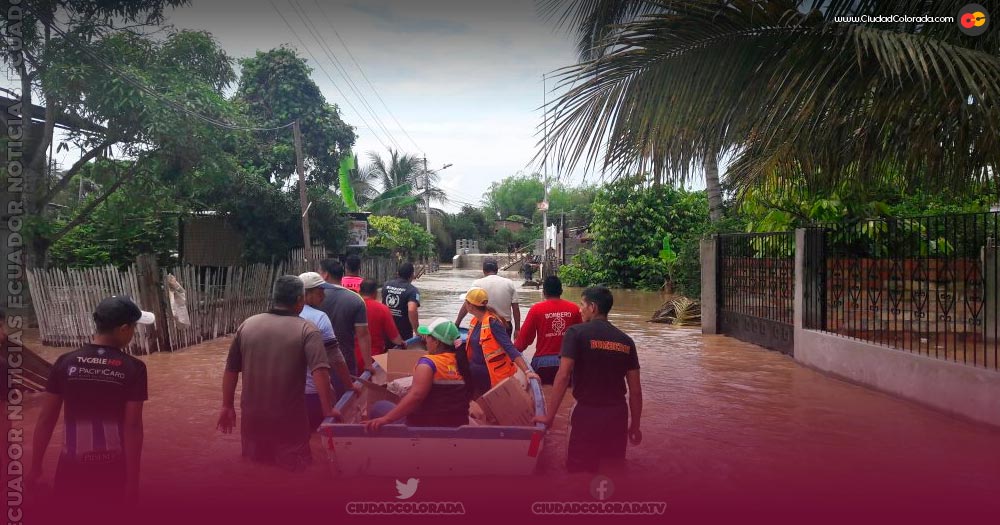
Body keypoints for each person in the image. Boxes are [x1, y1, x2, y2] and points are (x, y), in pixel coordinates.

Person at [28, 296, 153, 499]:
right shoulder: (135, 368)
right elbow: (133, 427)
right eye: (134, 328)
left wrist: (35, 468)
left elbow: (46, 419)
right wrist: (132, 481)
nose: (133, 333)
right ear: (124, 329)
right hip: (113, 471)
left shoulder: (65, 362)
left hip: (70, 468)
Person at [217, 276, 336, 472]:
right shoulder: (307, 330)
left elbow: (231, 370)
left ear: (274, 298)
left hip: (252, 421)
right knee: (295, 476)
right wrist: (328, 411)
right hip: (289, 423)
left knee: (254, 471)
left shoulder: (248, 325)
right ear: (301, 299)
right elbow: (320, 372)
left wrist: (227, 405)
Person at [534, 286, 643, 473]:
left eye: (582, 304)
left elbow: (563, 375)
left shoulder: (576, 333)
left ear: (592, 307)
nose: (579, 309)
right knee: (612, 471)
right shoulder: (626, 341)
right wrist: (635, 426)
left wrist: (549, 416)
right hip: (617, 415)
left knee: (579, 472)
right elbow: (635, 390)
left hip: (587, 414)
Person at [365, 318, 472, 430]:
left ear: (436, 342)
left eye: (428, 336)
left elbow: (416, 396)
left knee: (379, 406)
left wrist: (386, 419)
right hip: (456, 426)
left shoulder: (428, 363)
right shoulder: (462, 362)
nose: (425, 340)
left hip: (424, 428)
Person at [298, 272, 356, 430]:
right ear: (306, 293)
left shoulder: (285, 316)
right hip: (312, 393)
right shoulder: (319, 317)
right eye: (319, 291)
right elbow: (335, 357)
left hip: (287, 393)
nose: (323, 295)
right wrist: (350, 385)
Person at [461, 287, 538, 397]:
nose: (465, 305)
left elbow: (510, 348)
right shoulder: (476, 321)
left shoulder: (493, 323)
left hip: (488, 375)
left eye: (466, 302)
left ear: (471, 306)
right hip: (475, 373)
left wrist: (527, 371)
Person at [514, 276, 583, 385]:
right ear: (561, 291)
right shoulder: (574, 309)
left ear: (544, 292)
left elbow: (523, 341)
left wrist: (514, 351)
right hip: (568, 363)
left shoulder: (536, 309)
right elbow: (581, 338)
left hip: (542, 364)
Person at [318, 258, 372, 375]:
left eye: (319, 273)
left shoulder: (313, 297)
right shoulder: (356, 299)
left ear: (326, 275)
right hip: (345, 360)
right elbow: (363, 335)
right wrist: (368, 365)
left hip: (317, 362)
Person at [455, 258, 520, 337]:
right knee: (504, 348)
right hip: (505, 325)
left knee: (483, 348)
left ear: (483, 270)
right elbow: (515, 308)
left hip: (483, 324)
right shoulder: (509, 283)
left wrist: (457, 323)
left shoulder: (477, 283)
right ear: (496, 270)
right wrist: (517, 329)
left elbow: (467, 305)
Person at [357, 279, 406, 366]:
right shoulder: (382, 309)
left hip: (349, 357)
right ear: (375, 293)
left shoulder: (351, 306)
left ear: (359, 292)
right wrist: (402, 343)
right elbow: (394, 338)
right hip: (373, 359)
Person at [382, 262, 421, 340]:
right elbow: (412, 310)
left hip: (385, 328)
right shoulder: (412, 290)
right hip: (403, 332)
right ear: (412, 275)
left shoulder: (386, 285)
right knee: (401, 352)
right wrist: (417, 331)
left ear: (398, 273)